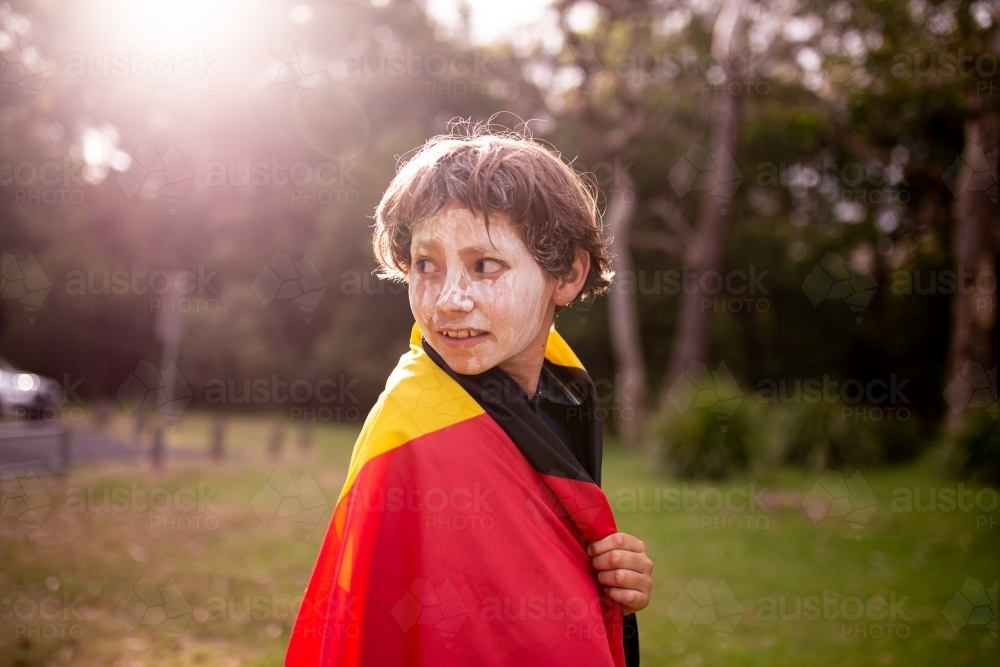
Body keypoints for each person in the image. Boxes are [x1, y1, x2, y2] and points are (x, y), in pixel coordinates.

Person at [286, 131, 653, 666]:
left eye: (484, 266)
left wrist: (608, 580)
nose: (450, 301)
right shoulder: (411, 428)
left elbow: (533, 572)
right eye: (425, 265)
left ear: (568, 275)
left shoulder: (561, 393)